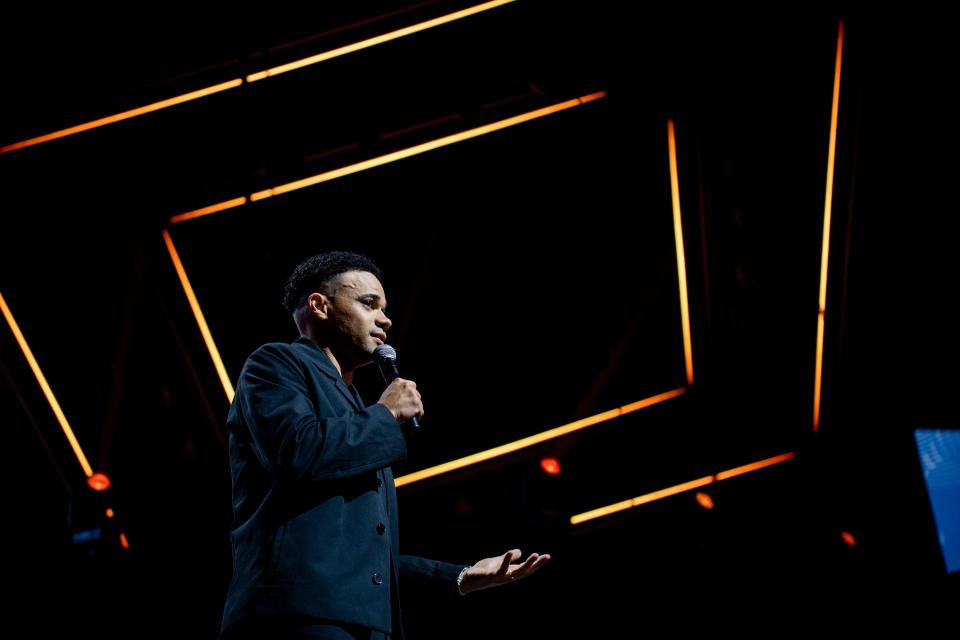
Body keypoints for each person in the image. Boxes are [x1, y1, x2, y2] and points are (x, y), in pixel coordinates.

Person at [221, 251, 550, 639]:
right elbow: (298, 451)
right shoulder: (276, 363)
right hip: (297, 616)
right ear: (319, 305)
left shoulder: (356, 410)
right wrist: (385, 413)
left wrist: (461, 576)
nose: (385, 319)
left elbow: (367, 557)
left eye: (385, 308)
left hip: (364, 624)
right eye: (368, 303)